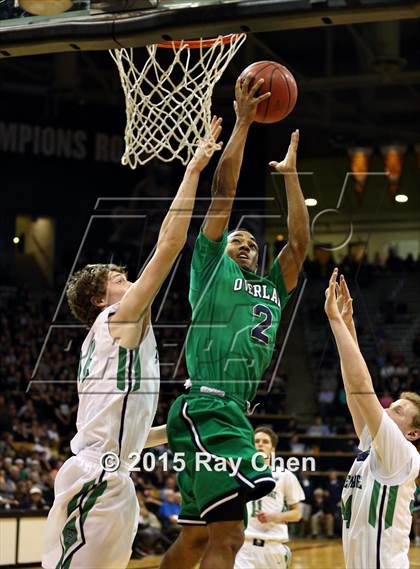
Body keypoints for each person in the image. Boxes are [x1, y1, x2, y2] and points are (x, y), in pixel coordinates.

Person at [41, 119, 223, 569]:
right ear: (101, 300)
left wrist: (183, 424)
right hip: (94, 478)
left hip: (114, 474)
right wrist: (194, 169)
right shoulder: (116, 318)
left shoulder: (118, 334)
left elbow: (131, 434)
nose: (131, 281)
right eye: (120, 280)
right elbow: (169, 243)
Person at [160, 75, 309, 569]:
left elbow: (300, 245)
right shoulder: (209, 268)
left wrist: (289, 176)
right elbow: (222, 193)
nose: (245, 244)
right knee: (230, 537)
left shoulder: (271, 287)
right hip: (209, 407)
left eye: (251, 243)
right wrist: (243, 123)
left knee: (196, 541)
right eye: (237, 241)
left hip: (231, 412)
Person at [324, 268, 420, 569]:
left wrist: (335, 321)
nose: (390, 409)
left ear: (414, 433)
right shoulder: (372, 444)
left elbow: (365, 389)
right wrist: (349, 325)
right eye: (394, 405)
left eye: (400, 411)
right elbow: (354, 390)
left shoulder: (401, 453)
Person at [234, 427, 304, 569]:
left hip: (274, 546)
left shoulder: (285, 475)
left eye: (265, 442)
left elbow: (297, 514)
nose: (260, 444)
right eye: (256, 441)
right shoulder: (239, 473)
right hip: (244, 546)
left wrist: (275, 516)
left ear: (273, 449)